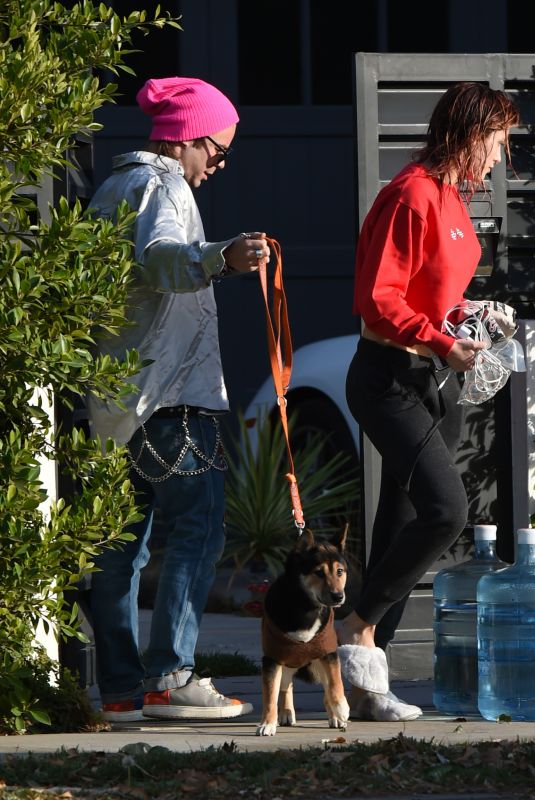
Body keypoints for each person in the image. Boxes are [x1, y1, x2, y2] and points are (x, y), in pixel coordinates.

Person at [86, 76, 270, 722]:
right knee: (200, 527)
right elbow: (162, 259)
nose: (218, 166)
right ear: (186, 139)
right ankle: (171, 676)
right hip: (171, 397)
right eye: (216, 151)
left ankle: (119, 689)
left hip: (116, 401)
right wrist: (222, 258)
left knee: (120, 544)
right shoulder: (163, 187)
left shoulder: (112, 187)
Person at [337, 82, 520, 721]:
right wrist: (443, 342)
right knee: (446, 512)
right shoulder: (411, 193)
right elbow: (379, 298)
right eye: (496, 144)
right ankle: (357, 629)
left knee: (398, 519)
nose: (500, 159)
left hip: (426, 381)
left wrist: (471, 314)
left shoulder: (451, 197)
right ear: (469, 135)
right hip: (388, 377)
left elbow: (427, 293)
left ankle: (364, 685)